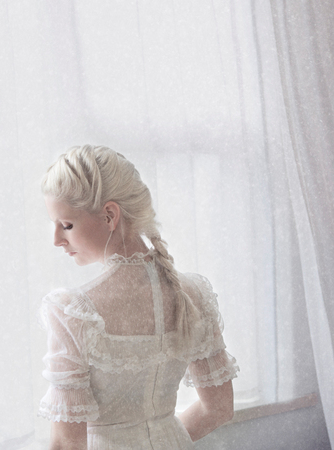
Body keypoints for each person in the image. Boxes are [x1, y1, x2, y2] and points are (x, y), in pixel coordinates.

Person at [38, 145, 239, 449]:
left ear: (109, 216)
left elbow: (67, 445)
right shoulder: (194, 294)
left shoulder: (74, 312)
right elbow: (219, 409)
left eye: (66, 225)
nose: (56, 240)